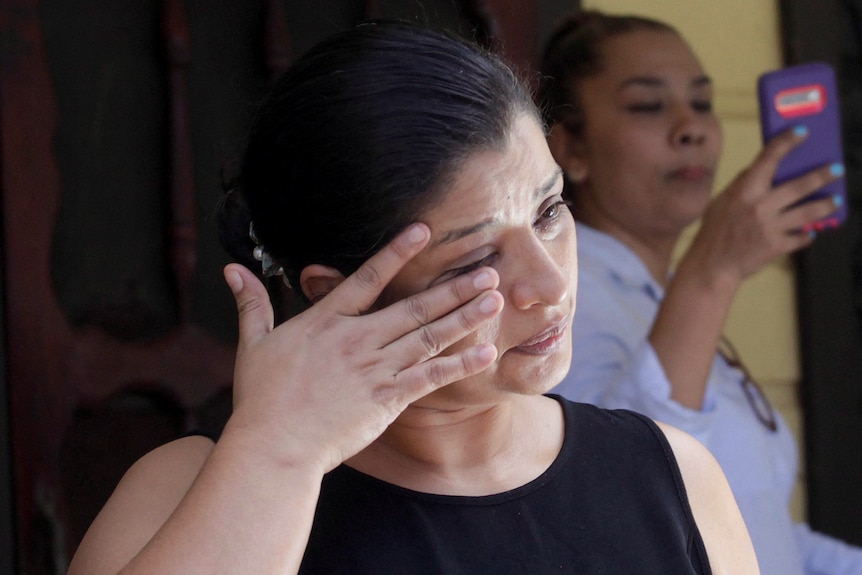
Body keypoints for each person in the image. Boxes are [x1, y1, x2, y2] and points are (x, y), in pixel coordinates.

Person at [66, 20, 758, 575]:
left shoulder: (670, 476)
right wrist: (277, 451)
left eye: (550, 211)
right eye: (480, 258)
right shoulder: (185, 490)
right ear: (343, 296)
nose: (549, 285)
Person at [538, 10, 862, 575]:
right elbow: (621, 491)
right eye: (647, 105)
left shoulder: (661, 293)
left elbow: (768, 536)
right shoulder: (558, 293)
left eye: (704, 104)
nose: (690, 128)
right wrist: (712, 271)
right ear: (569, 148)